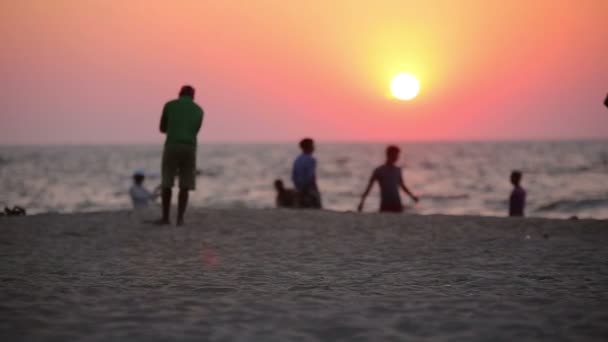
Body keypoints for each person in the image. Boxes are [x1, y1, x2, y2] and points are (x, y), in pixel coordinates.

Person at [158, 85, 204, 226]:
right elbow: (195, 130)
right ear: (193, 96)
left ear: (179, 94)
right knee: (185, 185)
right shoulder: (199, 110)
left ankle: (166, 218)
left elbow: (162, 128)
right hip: (189, 147)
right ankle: (180, 219)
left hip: (172, 145)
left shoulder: (170, 105)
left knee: (167, 182)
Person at [358, 145, 419, 213]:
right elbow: (369, 187)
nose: (397, 157)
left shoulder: (398, 170)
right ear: (388, 155)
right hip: (385, 204)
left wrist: (412, 196)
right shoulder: (379, 170)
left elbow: (402, 186)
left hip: (397, 204)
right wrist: (362, 202)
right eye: (395, 155)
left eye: (397, 155)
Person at [292, 138, 322, 208]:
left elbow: (294, 176)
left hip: (298, 189)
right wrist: (314, 189)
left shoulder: (297, 159)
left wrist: (298, 188)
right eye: (312, 145)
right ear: (309, 147)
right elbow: (310, 177)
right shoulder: (311, 159)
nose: (314, 147)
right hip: (308, 190)